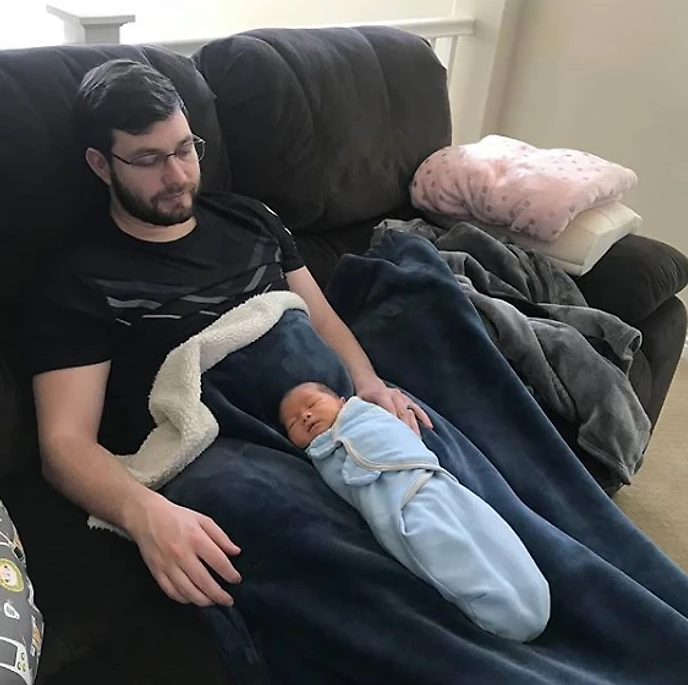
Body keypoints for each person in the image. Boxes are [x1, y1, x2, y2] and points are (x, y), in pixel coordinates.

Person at [28, 59, 432, 611]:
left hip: (330, 412)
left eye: (184, 149)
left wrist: (369, 385)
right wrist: (144, 512)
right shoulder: (79, 278)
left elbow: (321, 320)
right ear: (101, 164)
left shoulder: (252, 219)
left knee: (439, 464)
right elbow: (64, 445)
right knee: (341, 559)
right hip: (228, 450)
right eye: (147, 159)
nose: (177, 175)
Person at [278, 382, 551, 642]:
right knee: (444, 550)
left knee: (486, 532)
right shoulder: (321, 455)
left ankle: (530, 590)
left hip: (427, 484)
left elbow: (393, 436)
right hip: (396, 507)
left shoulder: (364, 417)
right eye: (293, 422)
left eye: (312, 404)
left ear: (341, 402)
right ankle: (504, 614)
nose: (305, 416)